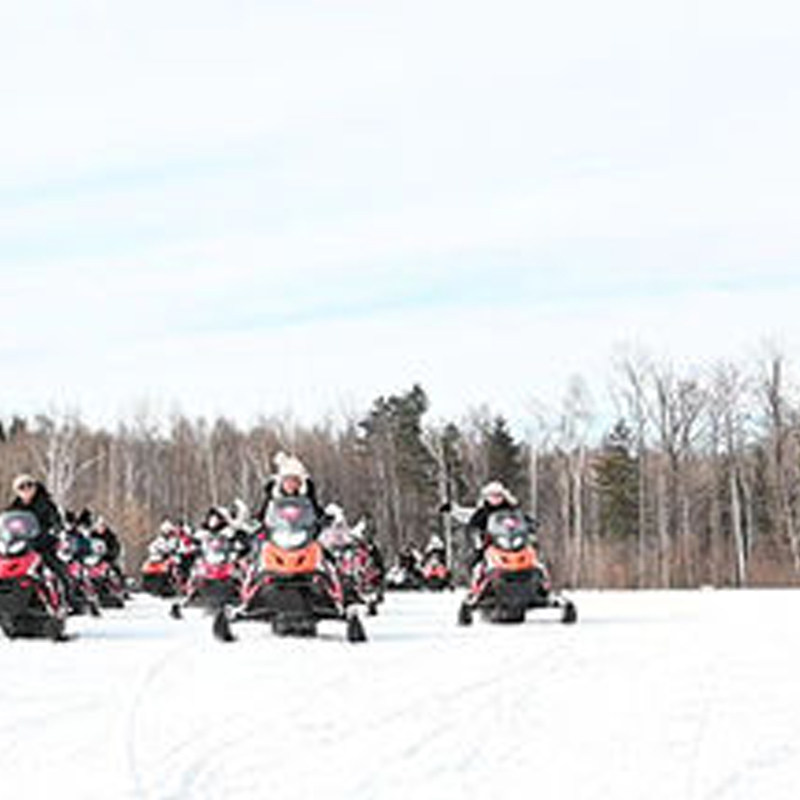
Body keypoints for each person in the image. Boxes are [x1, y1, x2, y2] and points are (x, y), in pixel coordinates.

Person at [6, 474, 73, 600]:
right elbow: (7, 522)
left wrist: (56, 528)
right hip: (22, 544)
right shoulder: (14, 507)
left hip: (44, 541)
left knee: (54, 564)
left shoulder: (45, 503)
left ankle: (66, 596)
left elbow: (55, 519)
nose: (26, 489)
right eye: (22, 487)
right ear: (17, 491)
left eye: (29, 485)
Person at [254, 452, 325, 522]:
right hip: (278, 530)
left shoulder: (307, 498)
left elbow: (316, 511)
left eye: (294, 480)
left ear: (300, 483)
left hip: (304, 530)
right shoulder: (274, 497)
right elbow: (264, 513)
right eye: (287, 480)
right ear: (282, 482)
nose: (290, 484)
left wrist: (323, 518)